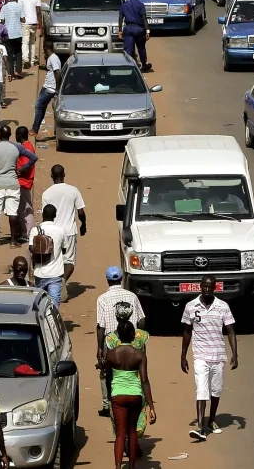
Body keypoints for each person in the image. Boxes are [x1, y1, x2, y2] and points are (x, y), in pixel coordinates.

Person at [180, 274, 238, 441]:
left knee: (215, 391)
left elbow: (231, 331)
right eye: (204, 286)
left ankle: (211, 420)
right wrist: (183, 356)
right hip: (200, 356)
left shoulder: (223, 306)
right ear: (200, 286)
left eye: (210, 287)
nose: (207, 289)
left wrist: (235, 354)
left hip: (218, 356)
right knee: (202, 390)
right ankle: (200, 427)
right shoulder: (191, 306)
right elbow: (186, 332)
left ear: (214, 288)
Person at [104, 319, 155, 468]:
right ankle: (132, 467)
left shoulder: (112, 354)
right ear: (133, 335)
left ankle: (118, 466)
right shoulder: (139, 355)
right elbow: (145, 381)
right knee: (132, 431)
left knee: (120, 434)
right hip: (135, 395)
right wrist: (151, 406)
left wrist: (109, 395)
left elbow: (108, 377)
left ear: (118, 335)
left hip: (117, 395)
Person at [96, 266, 146, 416]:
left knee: (106, 373)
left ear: (108, 280)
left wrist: (99, 347)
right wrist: (140, 339)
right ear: (121, 279)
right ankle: (136, 398)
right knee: (134, 371)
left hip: (111, 342)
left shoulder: (102, 299)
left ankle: (108, 404)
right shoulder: (132, 296)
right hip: (131, 341)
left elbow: (100, 326)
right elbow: (142, 320)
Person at [0, 125, 37, 247]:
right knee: (12, 213)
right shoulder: (17, 147)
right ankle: (13, 242)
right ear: (10, 135)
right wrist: (23, 168)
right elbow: (33, 158)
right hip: (13, 184)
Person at [41, 165, 85, 303]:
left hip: (53, 231)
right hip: (69, 232)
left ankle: (53, 285)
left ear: (51, 176)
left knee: (54, 259)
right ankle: (61, 283)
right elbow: (81, 212)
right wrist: (84, 225)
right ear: (64, 174)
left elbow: (45, 214)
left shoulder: (46, 193)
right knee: (69, 261)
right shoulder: (73, 190)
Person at [29, 204, 65, 306]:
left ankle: (40, 321)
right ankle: (52, 321)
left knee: (38, 303)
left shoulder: (35, 230)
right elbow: (64, 249)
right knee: (54, 303)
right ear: (55, 215)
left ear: (43, 214)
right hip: (56, 273)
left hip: (40, 272)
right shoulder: (60, 231)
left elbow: (31, 249)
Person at [31, 42, 61, 140]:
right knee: (41, 107)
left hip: (50, 88)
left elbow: (57, 73)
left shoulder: (53, 58)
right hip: (46, 86)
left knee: (39, 106)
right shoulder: (51, 59)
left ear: (45, 48)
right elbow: (51, 70)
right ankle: (35, 128)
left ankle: (35, 129)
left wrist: (57, 89)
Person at [118, 0, 151, 72]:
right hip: (139, 29)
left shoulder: (124, 5)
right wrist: (147, 31)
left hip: (128, 28)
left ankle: (127, 66)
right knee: (141, 48)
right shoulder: (141, 5)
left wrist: (120, 31)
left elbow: (121, 18)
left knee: (128, 49)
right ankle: (144, 65)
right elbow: (144, 18)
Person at [15, 126, 37, 235]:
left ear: (19, 135)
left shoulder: (26, 148)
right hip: (24, 182)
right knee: (24, 208)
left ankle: (28, 233)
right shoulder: (27, 146)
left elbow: (25, 166)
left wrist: (17, 171)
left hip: (24, 182)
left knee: (25, 209)